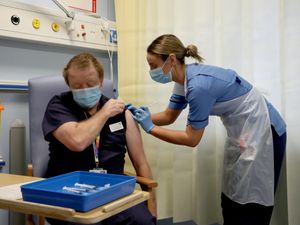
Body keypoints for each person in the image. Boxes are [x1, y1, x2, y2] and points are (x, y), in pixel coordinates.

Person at [127, 34, 286, 225]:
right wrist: (138, 116)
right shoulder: (182, 79)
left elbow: (191, 139)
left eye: (153, 65)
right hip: (243, 131)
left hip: (264, 129)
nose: (151, 71)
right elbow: (170, 115)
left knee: (252, 199)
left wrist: (150, 128)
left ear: (170, 59)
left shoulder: (198, 86)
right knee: (233, 194)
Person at [42, 52, 156, 225]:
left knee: (144, 221)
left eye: (90, 84)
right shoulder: (58, 106)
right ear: (69, 85)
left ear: (101, 82)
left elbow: (141, 163)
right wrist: (105, 113)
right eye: (78, 86)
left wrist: (151, 204)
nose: (85, 90)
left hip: (113, 191)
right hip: (68, 193)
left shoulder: (122, 114)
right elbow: (77, 142)